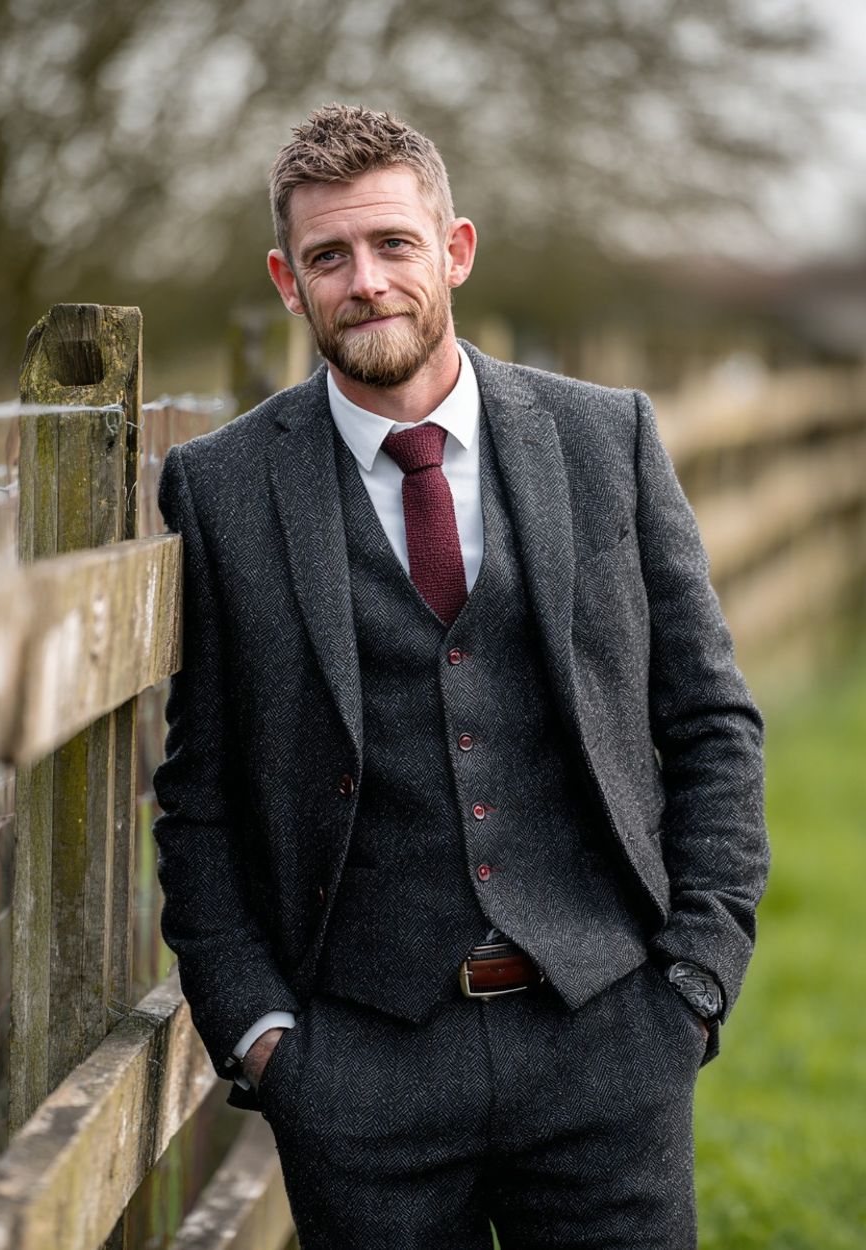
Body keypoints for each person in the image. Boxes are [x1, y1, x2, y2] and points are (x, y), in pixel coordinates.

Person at [152, 103, 769, 1249]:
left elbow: (710, 716)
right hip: (358, 1070)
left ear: (455, 250)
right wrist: (259, 1029)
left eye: (394, 244)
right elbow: (199, 791)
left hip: (607, 1043)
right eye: (330, 256)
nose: (367, 280)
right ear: (289, 281)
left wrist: (698, 972)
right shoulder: (219, 486)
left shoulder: (606, 439)